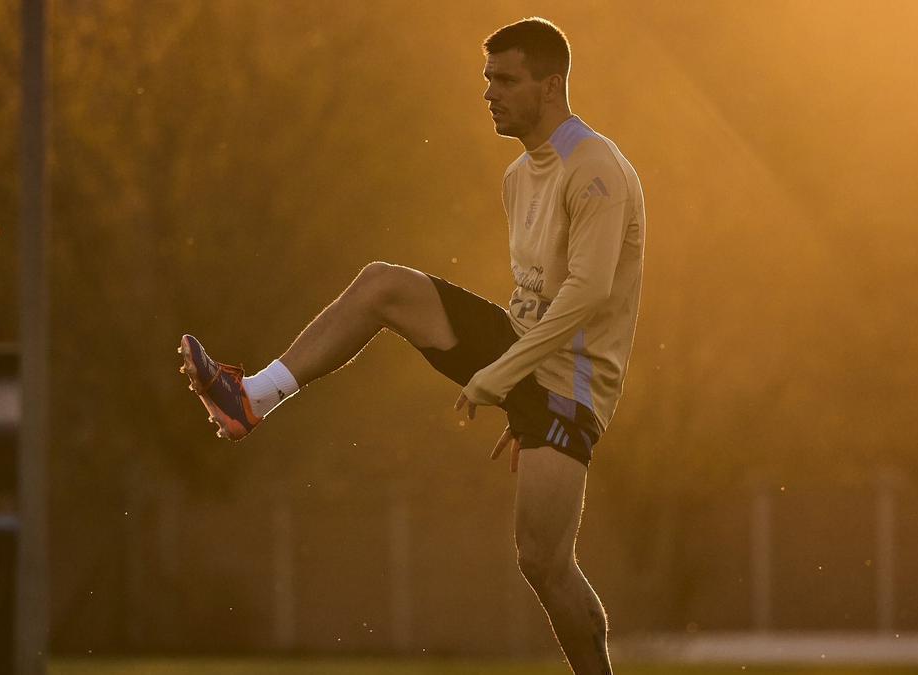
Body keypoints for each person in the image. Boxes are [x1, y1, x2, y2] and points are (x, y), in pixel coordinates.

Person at [180, 17, 644, 674]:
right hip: (527, 358)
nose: (489, 92)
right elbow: (534, 293)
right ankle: (249, 397)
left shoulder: (596, 168)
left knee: (543, 560)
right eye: (487, 79)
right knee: (381, 285)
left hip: (571, 381)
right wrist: (513, 385)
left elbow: (587, 296)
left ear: (552, 85)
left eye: (506, 80)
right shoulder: (519, 176)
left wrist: (501, 376)